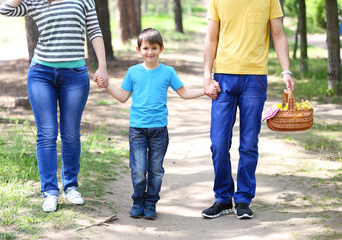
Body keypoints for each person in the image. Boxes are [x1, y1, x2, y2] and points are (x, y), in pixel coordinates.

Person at [0, 0, 109, 212]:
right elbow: (5, 9)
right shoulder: (35, 1)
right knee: (47, 133)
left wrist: (102, 67)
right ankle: (49, 191)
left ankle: (71, 187)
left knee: (70, 134)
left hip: (75, 76)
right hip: (41, 74)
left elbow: (94, 30)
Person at [97, 28, 205, 220]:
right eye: (145, 48)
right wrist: (106, 85)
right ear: (138, 50)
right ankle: (138, 201)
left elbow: (185, 93)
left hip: (159, 131)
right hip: (137, 130)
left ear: (161, 48)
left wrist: (205, 91)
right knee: (138, 170)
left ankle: (151, 203)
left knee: (155, 170)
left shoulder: (168, 72)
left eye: (154, 48)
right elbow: (123, 97)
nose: (150, 52)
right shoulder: (133, 72)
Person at [202, 0, 295, 219]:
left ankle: (243, 199)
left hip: (255, 79)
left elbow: (278, 35)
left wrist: (286, 71)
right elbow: (211, 37)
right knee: (218, 143)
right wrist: (207, 74)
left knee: (249, 143)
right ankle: (223, 198)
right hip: (223, 77)